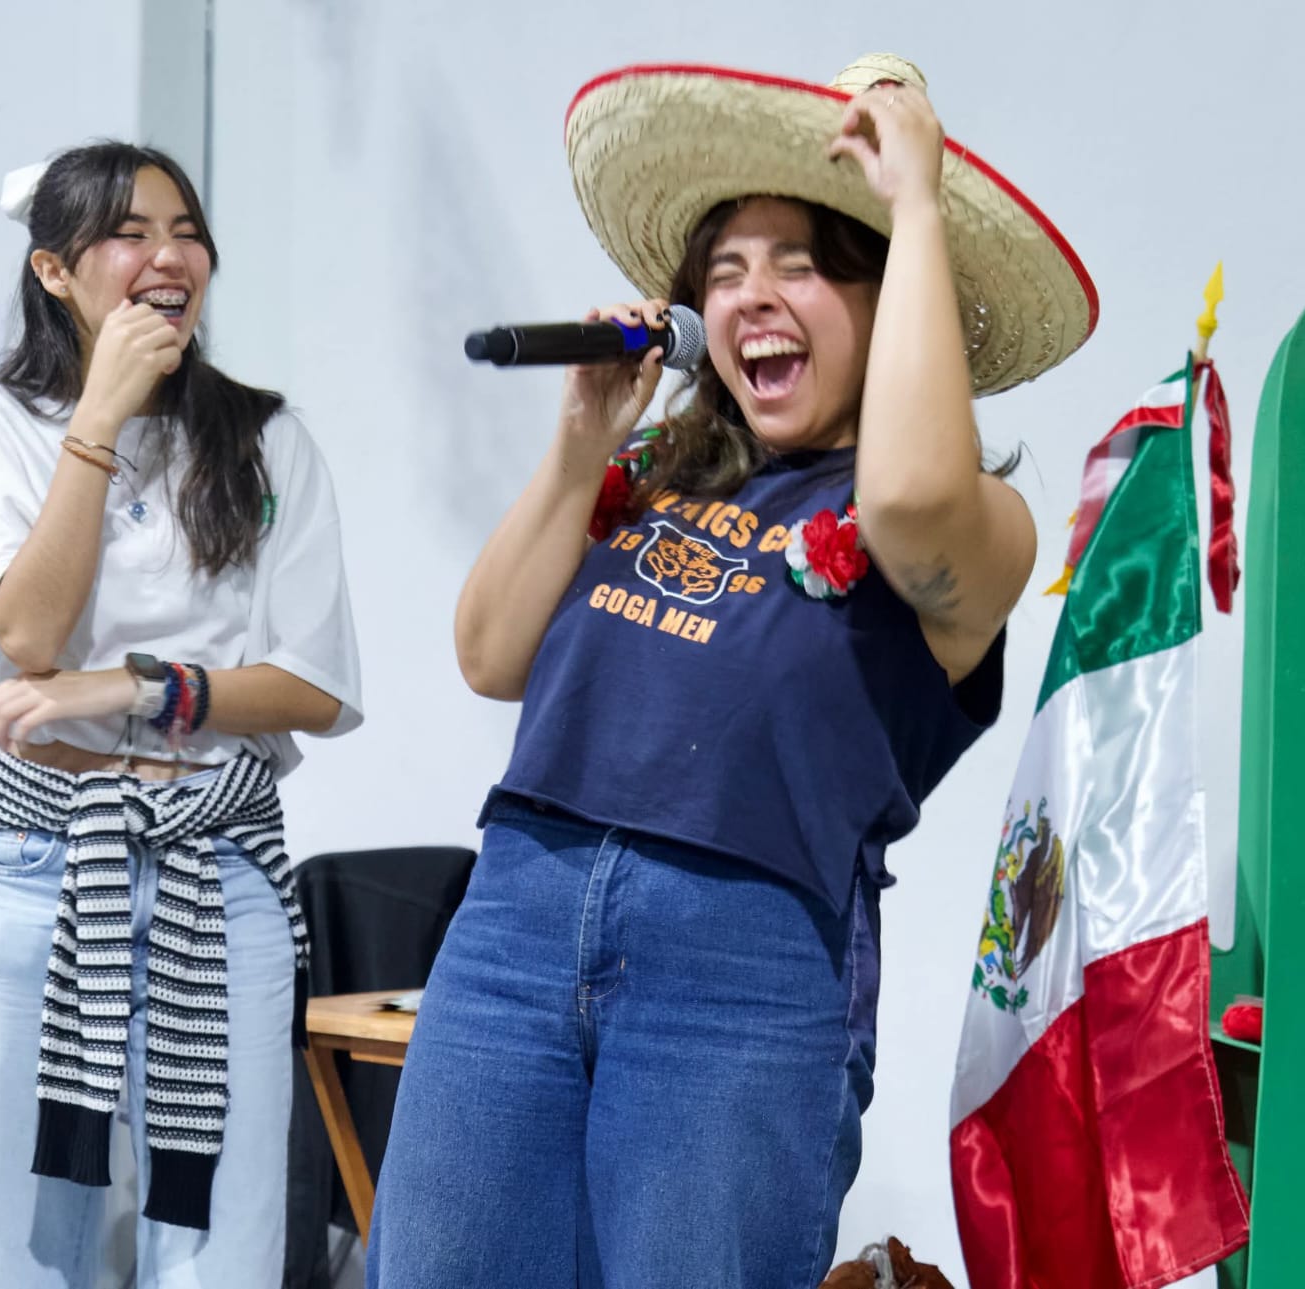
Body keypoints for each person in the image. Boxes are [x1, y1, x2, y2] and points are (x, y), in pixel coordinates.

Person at [367, 53, 1095, 1289]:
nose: (752, 294)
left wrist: (918, 201)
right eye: (724, 271)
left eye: (802, 264)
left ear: (886, 299)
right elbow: (489, 650)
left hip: (740, 957)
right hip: (516, 917)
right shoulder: (656, 473)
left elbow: (911, 488)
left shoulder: (975, 520)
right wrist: (579, 440)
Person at [0, 142, 362, 1287]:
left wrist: (139, 687)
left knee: (224, 1242)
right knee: (28, 1247)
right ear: (56, 272)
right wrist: (98, 418)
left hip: (221, 864)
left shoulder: (267, 439)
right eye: (130, 232)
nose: (167, 256)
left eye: (185, 229)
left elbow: (313, 683)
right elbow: (30, 637)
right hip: (33, 858)